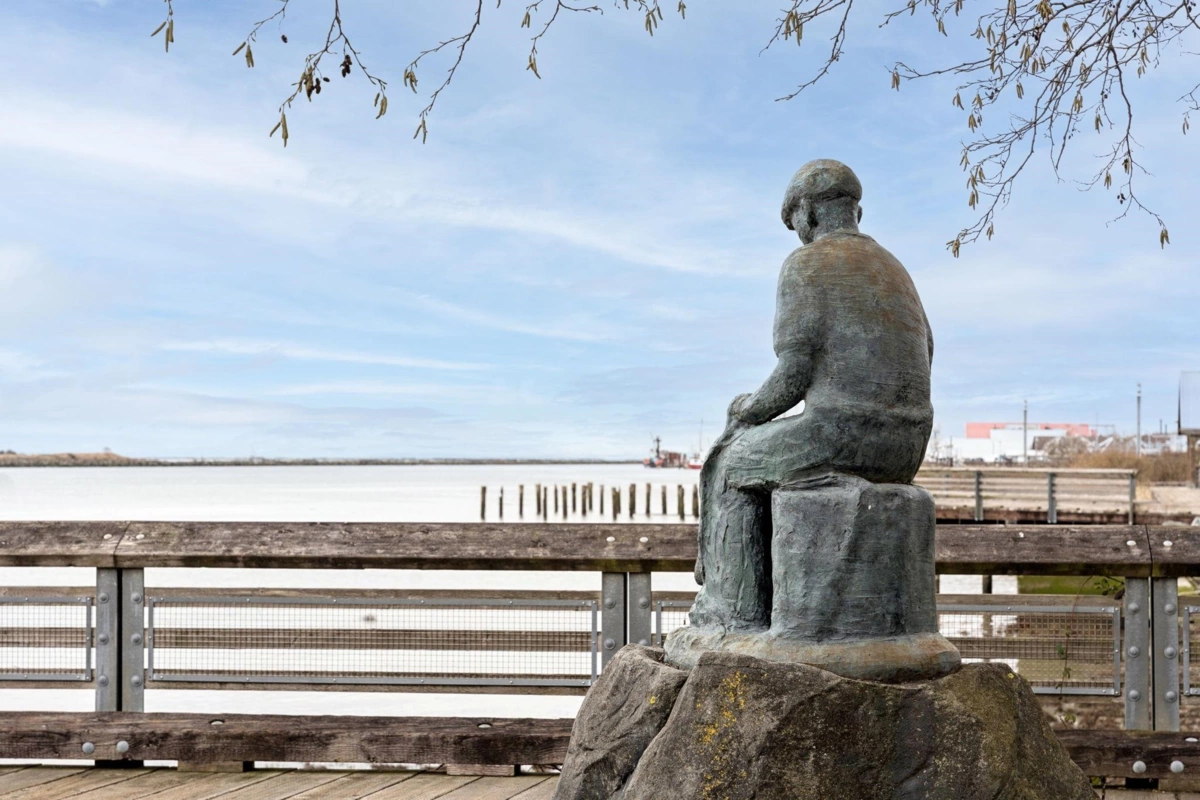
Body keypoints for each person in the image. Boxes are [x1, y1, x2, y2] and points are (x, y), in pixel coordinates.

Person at [690, 159, 936, 632]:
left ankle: (732, 614)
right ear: (854, 211)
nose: (796, 233)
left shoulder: (805, 265)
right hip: (908, 444)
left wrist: (747, 410)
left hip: (840, 436)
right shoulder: (895, 269)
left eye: (793, 222)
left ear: (807, 211)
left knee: (729, 465)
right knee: (752, 455)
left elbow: (794, 373)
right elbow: (926, 348)